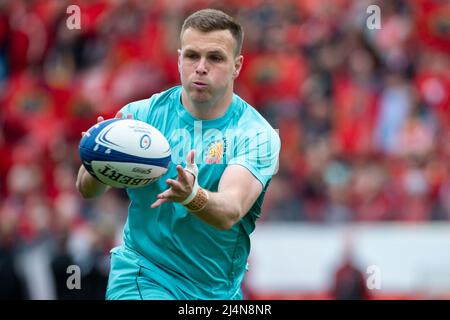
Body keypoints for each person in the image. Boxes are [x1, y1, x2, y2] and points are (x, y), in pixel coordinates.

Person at [76, 8, 280, 300]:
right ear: (179, 58)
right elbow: (87, 190)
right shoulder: (139, 117)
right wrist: (98, 160)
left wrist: (191, 196)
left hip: (217, 290)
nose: (201, 66)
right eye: (192, 56)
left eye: (215, 57)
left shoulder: (256, 134)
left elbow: (231, 210)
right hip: (144, 274)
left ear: (237, 65)